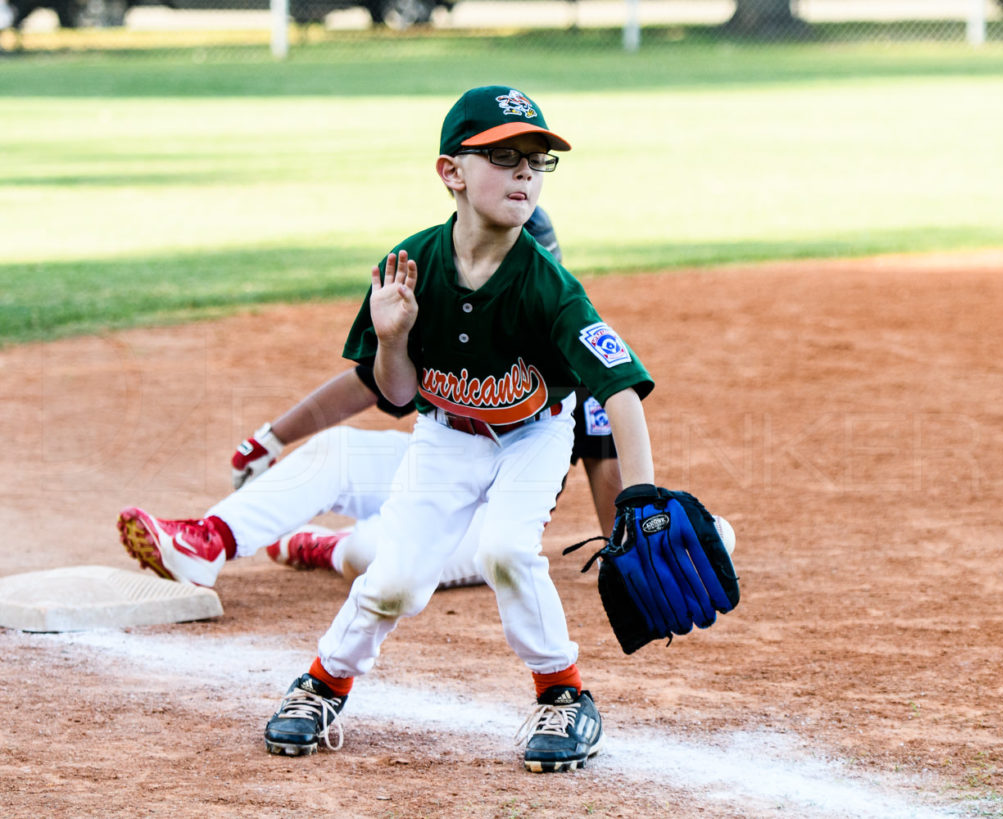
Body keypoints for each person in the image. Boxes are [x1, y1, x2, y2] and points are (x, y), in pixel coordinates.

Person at [258, 85, 658, 773]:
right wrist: (393, 337)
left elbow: (619, 389)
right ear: (452, 173)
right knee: (398, 582)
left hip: (536, 435)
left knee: (506, 548)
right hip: (444, 437)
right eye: (504, 156)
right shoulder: (410, 267)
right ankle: (324, 682)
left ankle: (563, 695)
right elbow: (397, 393)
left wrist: (643, 498)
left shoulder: (547, 283)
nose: (526, 172)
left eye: (536, 159)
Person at [117, 207, 621, 594]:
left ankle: (322, 546)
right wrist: (271, 437)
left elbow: (605, 464)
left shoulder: (568, 337)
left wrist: (625, 555)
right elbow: (370, 383)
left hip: (497, 515)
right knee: (334, 453)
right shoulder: (451, 315)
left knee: (371, 554)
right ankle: (209, 540)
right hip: (439, 470)